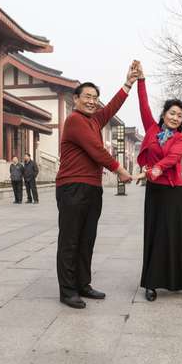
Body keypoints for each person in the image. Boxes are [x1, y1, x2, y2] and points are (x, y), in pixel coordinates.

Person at [56, 63, 138, 309]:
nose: (92, 101)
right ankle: (68, 290)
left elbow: (112, 107)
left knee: (87, 238)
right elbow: (96, 149)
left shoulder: (95, 119)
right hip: (72, 188)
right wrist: (121, 170)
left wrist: (128, 83)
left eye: (95, 98)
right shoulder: (75, 120)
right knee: (70, 240)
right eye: (87, 97)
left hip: (92, 188)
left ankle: (83, 284)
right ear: (76, 99)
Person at [134, 62, 182, 302]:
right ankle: (151, 283)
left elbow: (172, 159)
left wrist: (155, 170)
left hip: (173, 191)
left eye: (179, 115)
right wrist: (141, 80)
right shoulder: (151, 129)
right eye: (172, 113)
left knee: (171, 234)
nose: (175, 117)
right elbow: (143, 105)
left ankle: (176, 279)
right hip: (154, 191)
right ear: (164, 115)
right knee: (154, 234)